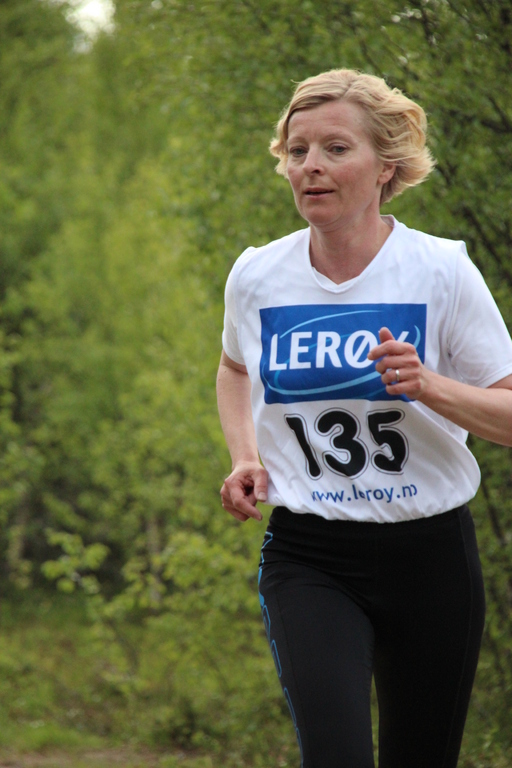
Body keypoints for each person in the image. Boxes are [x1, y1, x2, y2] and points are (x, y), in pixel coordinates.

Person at [216, 69, 512, 768]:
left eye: (336, 148)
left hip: (431, 554)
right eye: (297, 151)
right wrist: (244, 455)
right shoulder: (257, 275)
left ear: (386, 166)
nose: (310, 166)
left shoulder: (440, 270)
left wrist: (430, 386)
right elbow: (234, 369)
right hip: (309, 554)